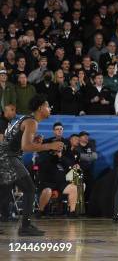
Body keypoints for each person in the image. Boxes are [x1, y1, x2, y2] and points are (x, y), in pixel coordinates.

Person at [0, 94, 61, 236]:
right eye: (47, 106)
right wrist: (50, 145)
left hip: (5, 156)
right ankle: (25, 226)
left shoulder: (25, 119)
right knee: (29, 189)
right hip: (7, 157)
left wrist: (37, 143)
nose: (49, 108)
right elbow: (26, 146)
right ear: (40, 108)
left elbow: (21, 144)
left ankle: (25, 225)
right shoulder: (32, 122)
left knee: (3, 193)